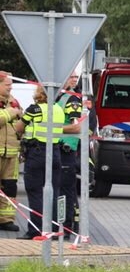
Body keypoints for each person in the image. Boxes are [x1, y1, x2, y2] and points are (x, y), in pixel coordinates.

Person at [21, 86, 78, 239]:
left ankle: (36, 230)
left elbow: (19, 128)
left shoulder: (34, 109)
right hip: (55, 153)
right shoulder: (58, 109)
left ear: (39, 93)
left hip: (37, 152)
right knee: (54, 191)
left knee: (35, 192)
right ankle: (53, 229)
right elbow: (72, 126)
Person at [55, 71, 85, 237]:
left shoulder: (72, 99)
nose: (74, 79)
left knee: (66, 189)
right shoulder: (59, 96)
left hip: (66, 148)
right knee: (61, 188)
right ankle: (63, 224)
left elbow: (76, 126)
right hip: (57, 148)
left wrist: (51, 128)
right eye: (71, 76)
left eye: (75, 77)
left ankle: (67, 226)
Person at [0, 71, 24, 233]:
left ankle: (6, 220)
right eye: (7, 84)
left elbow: (22, 120)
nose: (10, 87)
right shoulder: (10, 108)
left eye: (11, 85)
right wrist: (11, 113)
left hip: (12, 153)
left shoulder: (13, 102)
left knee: (9, 187)